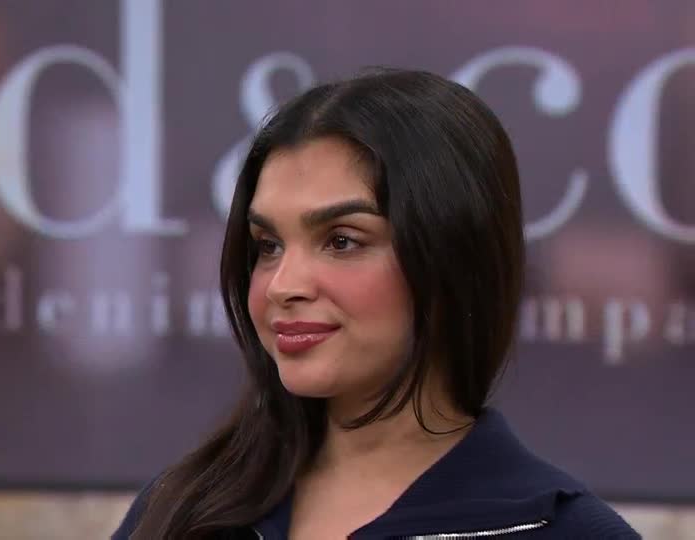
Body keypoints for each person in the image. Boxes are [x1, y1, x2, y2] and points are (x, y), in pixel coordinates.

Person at [112, 68, 640, 539]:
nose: (281, 285)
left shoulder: (565, 530)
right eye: (268, 246)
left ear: (454, 257)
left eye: (342, 240)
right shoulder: (181, 510)